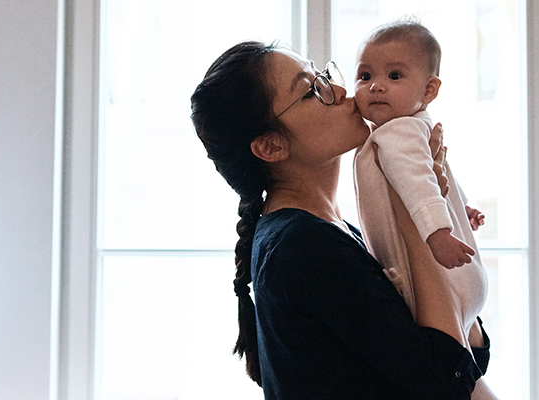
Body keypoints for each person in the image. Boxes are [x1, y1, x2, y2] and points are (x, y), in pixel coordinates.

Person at [190, 41, 489, 399]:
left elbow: (469, 358)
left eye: (323, 76)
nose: (344, 91)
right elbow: (448, 379)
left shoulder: (337, 232)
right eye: (313, 90)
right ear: (270, 147)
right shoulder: (305, 248)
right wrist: (412, 205)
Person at [352, 21, 498, 399]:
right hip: (460, 287)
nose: (375, 85)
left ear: (429, 89)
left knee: (457, 381)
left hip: (437, 279)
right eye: (365, 75)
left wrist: (439, 234)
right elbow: (437, 177)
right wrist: (458, 208)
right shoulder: (415, 126)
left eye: (394, 75)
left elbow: (420, 184)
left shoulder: (395, 132)